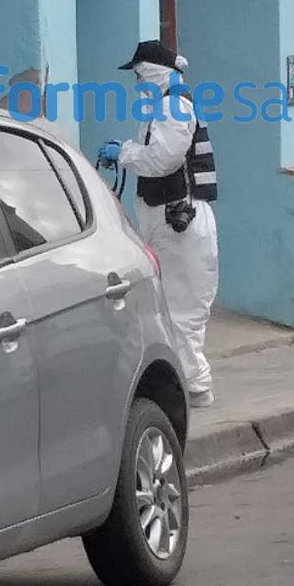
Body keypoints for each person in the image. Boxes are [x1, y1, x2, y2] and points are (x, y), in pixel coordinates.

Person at [98, 39, 220, 408]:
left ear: (151, 73)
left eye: (138, 76)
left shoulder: (172, 107)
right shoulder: (166, 107)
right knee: (173, 306)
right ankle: (188, 385)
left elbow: (162, 161)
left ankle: (195, 388)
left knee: (182, 309)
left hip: (179, 222)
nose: (137, 84)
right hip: (172, 220)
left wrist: (122, 153)